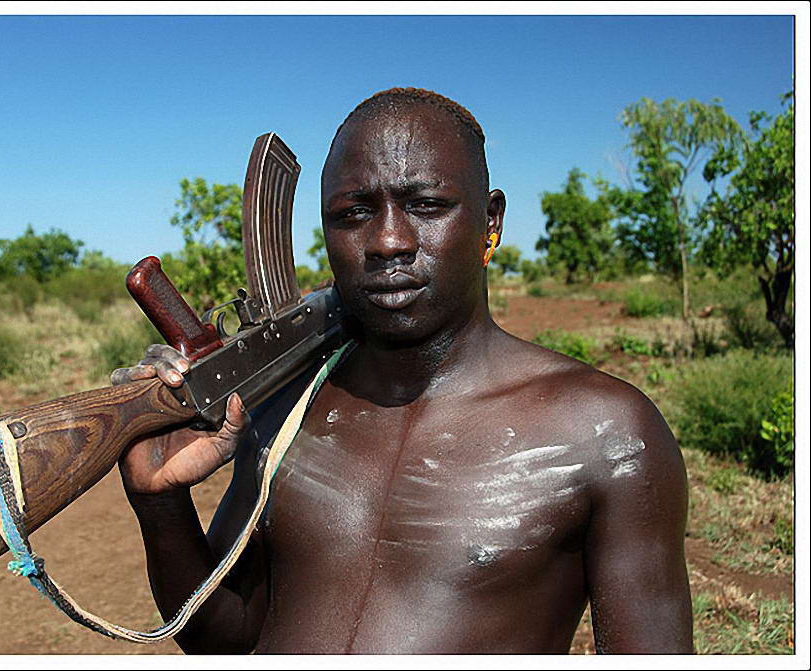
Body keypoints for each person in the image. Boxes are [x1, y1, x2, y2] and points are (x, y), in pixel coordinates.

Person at [110, 87, 693, 654]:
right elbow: (224, 638)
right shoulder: (287, 405)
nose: (388, 241)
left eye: (427, 205)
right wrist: (161, 505)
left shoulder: (608, 434)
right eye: (354, 213)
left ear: (490, 223)